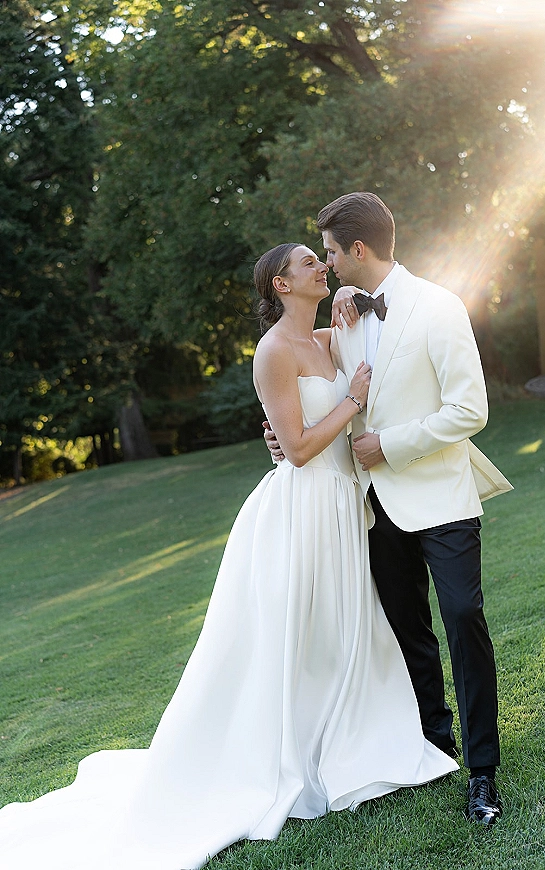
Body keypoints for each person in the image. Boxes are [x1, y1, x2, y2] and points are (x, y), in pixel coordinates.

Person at [0, 243, 457, 870]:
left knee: (346, 633)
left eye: (321, 260)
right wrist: (351, 401)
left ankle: (355, 748)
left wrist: (350, 300)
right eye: (308, 263)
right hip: (301, 514)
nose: (321, 268)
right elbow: (294, 448)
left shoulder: (329, 337)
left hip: (345, 509)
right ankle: (289, 761)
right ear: (279, 282)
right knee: (295, 640)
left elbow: (355, 325)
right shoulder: (271, 352)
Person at [265, 195, 512, 826]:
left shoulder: (440, 306)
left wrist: (389, 446)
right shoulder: (342, 319)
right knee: (406, 631)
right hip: (369, 508)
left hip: (439, 494)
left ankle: (482, 771)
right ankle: (435, 743)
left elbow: (469, 411)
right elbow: (312, 386)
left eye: (327, 252)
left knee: (462, 616)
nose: (324, 263)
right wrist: (282, 437)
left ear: (356, 251)